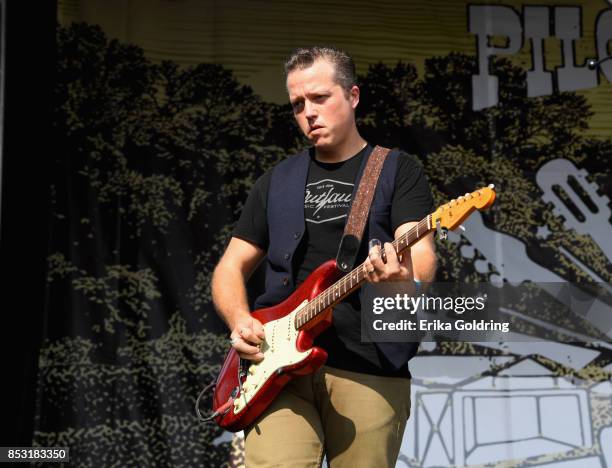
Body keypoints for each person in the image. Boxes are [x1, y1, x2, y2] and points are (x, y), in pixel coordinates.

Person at [211, 46, 437, 467]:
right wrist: (240, 319)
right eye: (298, 104)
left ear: (352, 96)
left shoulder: (396, 170)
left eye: (319, 98)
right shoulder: (275, 181)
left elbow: (418, 251)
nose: (308, 112)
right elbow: (229, 267)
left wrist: (401, 279)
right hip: (276, 370)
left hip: (368, 363)